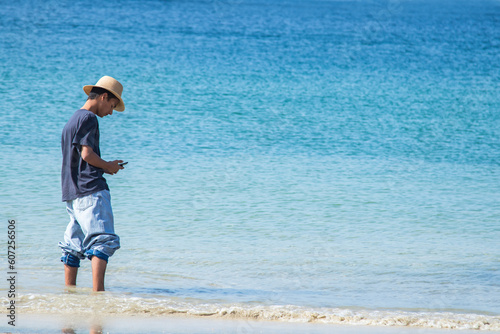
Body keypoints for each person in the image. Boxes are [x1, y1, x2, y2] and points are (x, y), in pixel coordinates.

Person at [59, 76, 126, 291]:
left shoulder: (72, 120)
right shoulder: (89, 118)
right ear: (104, 97)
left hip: (72, 192)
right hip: (91, 191)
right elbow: (87, 155)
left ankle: (70, 295)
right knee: (102, 241)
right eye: (112, 106)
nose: (111, 112)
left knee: (73, 246)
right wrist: (108, 165)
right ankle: (98, 295)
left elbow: (78, 158)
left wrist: (106, 166)